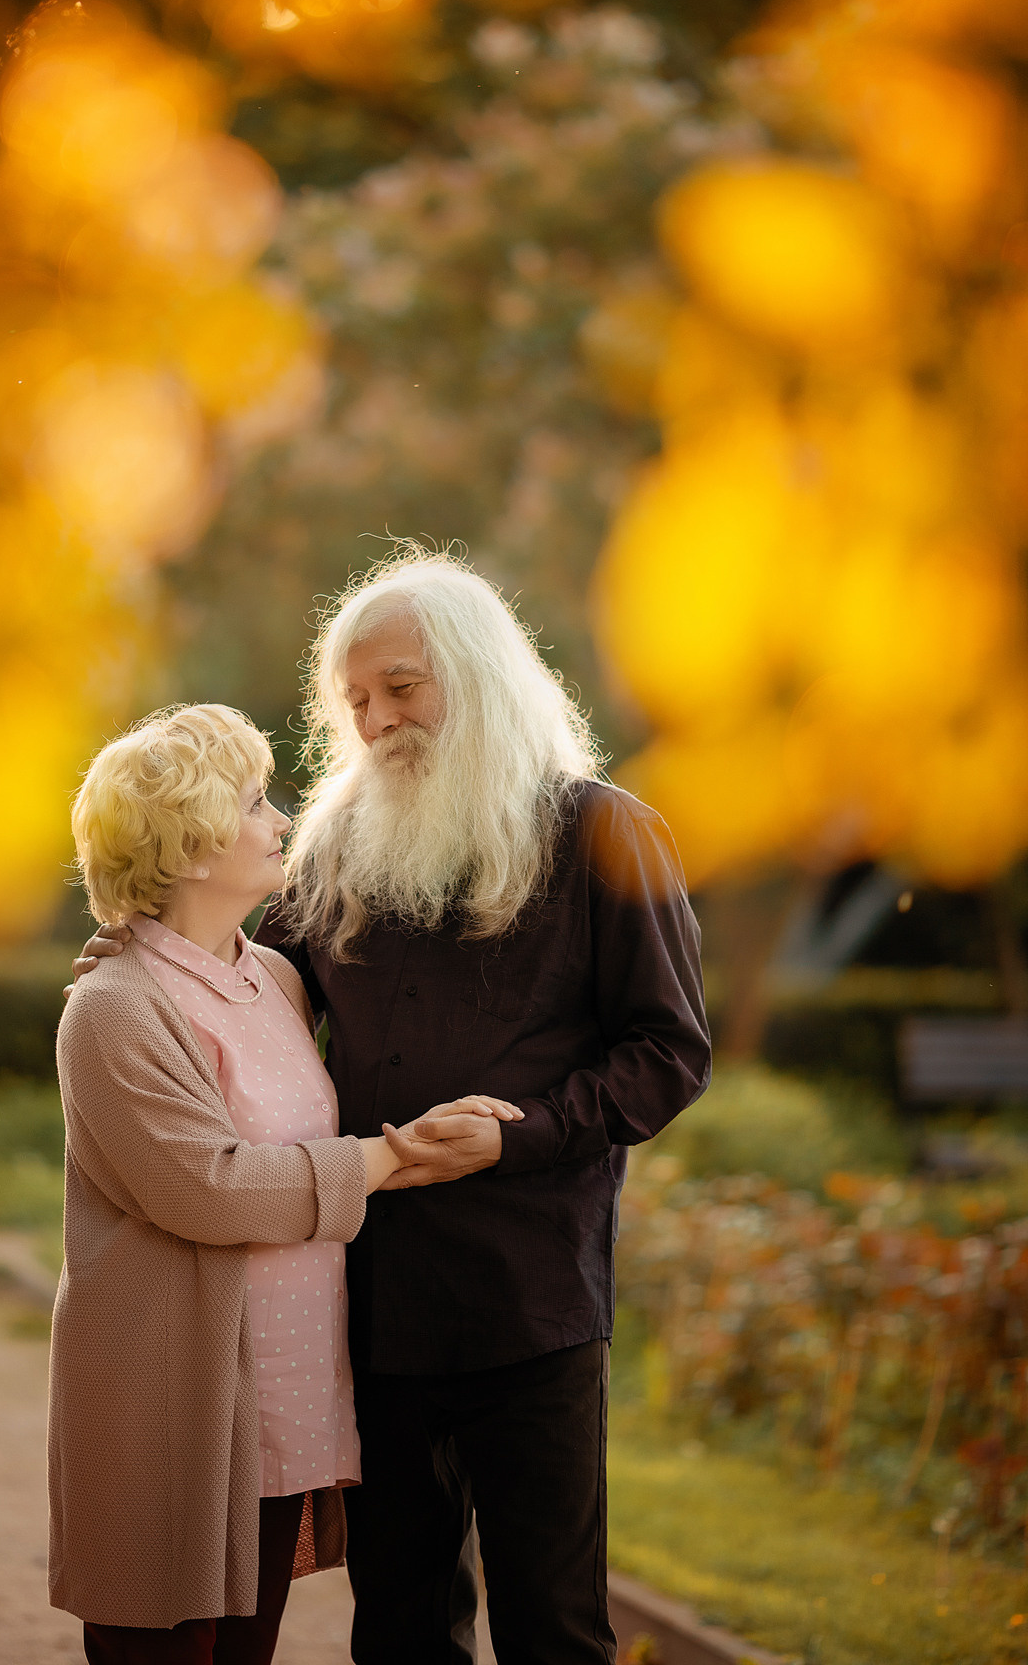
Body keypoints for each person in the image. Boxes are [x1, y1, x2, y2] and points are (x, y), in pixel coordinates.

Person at [75, 550, 712, 1665]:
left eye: (400, 688)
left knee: (554, 1625)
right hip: (373, 1308)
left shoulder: (610, 836)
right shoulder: (327, 857)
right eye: (356, 700)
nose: (375, 721)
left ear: (475, 675)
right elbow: (215, 975)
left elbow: (669, 1054)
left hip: (534, 1302)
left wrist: (528, 1132)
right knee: (403, 1627)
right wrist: (128, 947)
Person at [53, 701, 521, 1665]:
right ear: (185, 845)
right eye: (255, 802)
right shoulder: (112, 1008)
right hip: (176, 1397)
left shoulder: (274, 977)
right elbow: (207, 1189)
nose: (281, 821)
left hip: (282, 1399)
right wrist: (392, 1158)